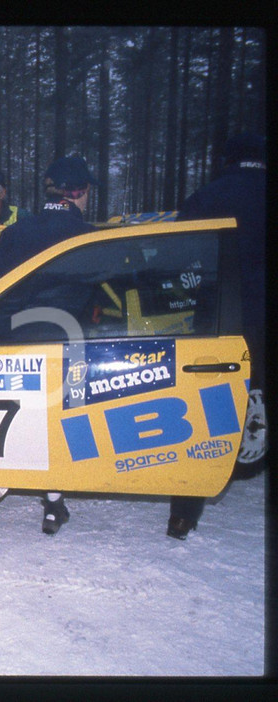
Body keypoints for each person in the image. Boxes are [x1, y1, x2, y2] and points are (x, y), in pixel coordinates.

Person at [0, 155, 98, 551]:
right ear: (79, 193)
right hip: (59, 350)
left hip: (9, 346)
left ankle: (54, 504)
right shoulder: (86, 237)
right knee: (25, 439)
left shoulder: (16, 231)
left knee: (44, 431)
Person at [166, 132, 267, 540]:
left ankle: (182, 515)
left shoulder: (208, 197)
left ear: (229, 159)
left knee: (207, 410)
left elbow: (176, 256)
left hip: (220, 320)